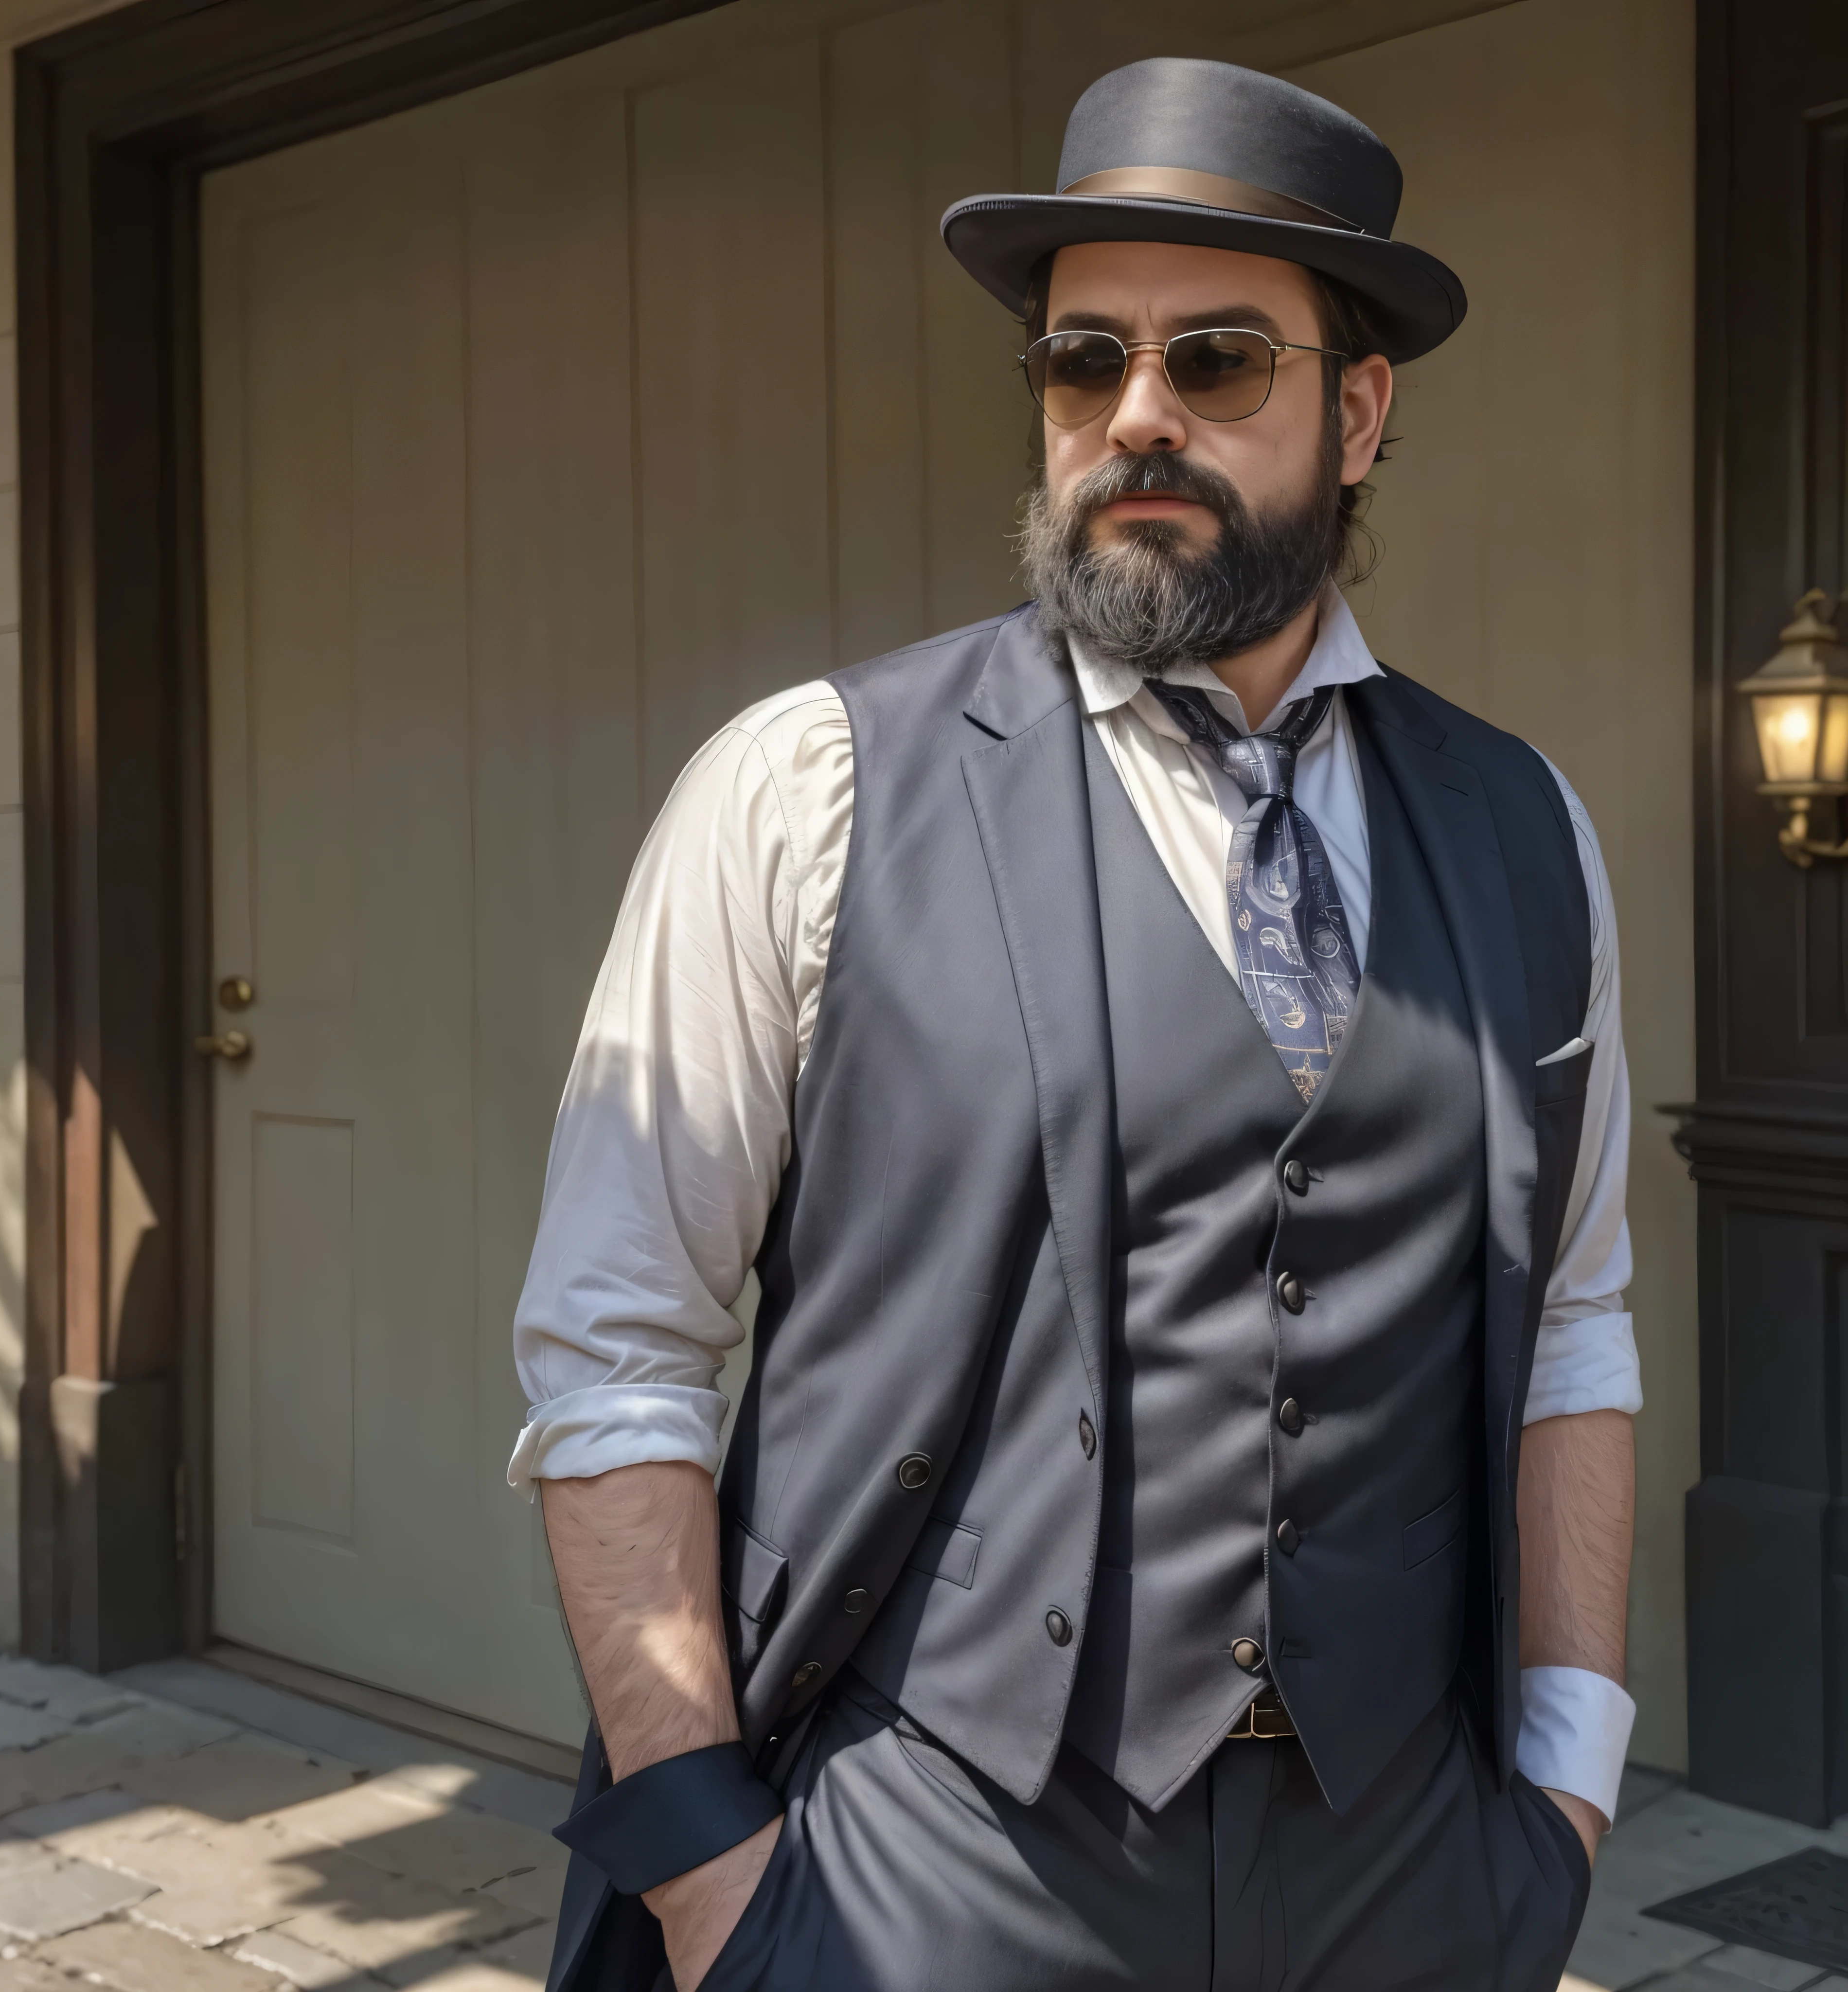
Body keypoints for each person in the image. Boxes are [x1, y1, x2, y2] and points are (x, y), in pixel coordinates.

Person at [512, 55, 1639, 1992]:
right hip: (930, 1874)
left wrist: (1561, 1795)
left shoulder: (1522, 824)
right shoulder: (808, 788)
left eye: (1215, 359)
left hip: (1412, 1878)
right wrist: (714, 1872)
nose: (1133, 416)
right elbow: (620, 1345)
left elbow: (1575, 1327)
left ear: (1356, 413)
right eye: (1076, 361)